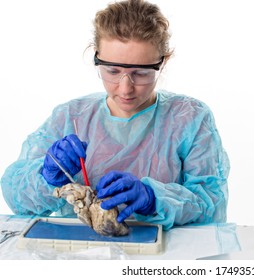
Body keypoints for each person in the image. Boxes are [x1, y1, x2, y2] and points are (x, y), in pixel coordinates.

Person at [0, 0, 229, 230]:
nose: (125, 88)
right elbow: (15, 195)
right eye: (113, 71)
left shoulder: (189, 119)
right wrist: (47, 177)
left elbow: (211, 202)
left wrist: (153, 198)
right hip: (79, 253)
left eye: (140, 73)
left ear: (163, 61)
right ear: (96, 57)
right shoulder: (71, 118)